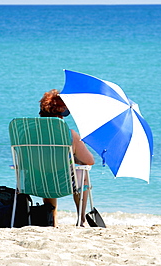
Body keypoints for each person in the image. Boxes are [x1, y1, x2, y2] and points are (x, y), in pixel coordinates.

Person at [39, 89, 94, 227]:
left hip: (34, 183)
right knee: (84, 174)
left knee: (47, 173)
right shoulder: (69, 135)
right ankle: (81, 219)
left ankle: (51, 218)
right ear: (62, 113)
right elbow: (90, 161)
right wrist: (74, 157)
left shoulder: (27, 134)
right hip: (64, 184)